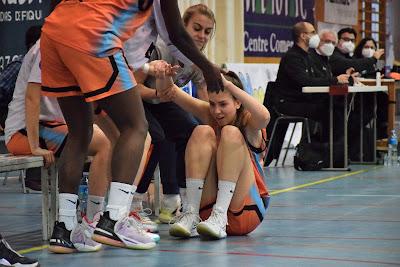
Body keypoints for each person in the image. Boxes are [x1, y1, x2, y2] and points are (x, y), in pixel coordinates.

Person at [41, 0, 222, 252]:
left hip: (54, 30)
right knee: (136, 126)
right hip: (93, 32)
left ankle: (64, 228)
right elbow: (177, 34)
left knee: (79, 133)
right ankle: (114, 219)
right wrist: (208, 67)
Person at [3, 40, 113, 253]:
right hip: (24, 131)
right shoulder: (47, 47)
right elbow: (32, 96)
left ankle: (88, 221)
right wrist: (34, 146)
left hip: (52, 125)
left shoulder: (79, 46)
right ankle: (91, 222)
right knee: (102, 143)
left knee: (104, 137)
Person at [126, 3, 216, 224]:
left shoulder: (197, 59)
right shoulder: (160, 48)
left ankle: (182, 203)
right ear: (181, 27)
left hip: (160, 98)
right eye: (196, 28)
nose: (202, 36)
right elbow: (132, 87)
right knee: (156, 136)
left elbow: (205, 98)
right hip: (133, 98)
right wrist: (157, 92)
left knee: (193, 130)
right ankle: (133, 206)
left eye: (207, 32)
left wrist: (216, 125)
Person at [155, 70, 270, 239]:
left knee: (230, 132)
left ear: (238, 102)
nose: (217, 111)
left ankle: (220, 216)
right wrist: (162, 74)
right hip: (206, 216)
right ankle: (191, 214)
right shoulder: (210, 114)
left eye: (223, 104)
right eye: (212, 104)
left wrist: (229, 85)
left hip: (245, 212)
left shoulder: (249, 122)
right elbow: (171, 92)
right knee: (201, 131)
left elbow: (265, 116)